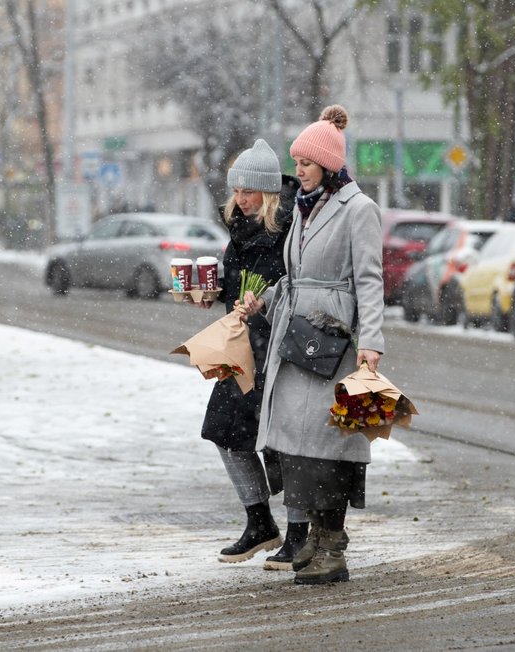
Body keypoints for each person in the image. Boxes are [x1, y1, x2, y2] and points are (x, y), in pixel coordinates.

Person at [238, 105, 385, 585]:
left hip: (335, 342)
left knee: (332, 445)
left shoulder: (358, 209)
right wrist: (267, 299)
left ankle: (332, 547)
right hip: (296, 339)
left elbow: (370, 280)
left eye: (305, 163)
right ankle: (311, 541)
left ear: (329, 165)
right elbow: (298, 276)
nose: (296, 170)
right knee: (297, 447)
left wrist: (372, 343)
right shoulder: (301, 208)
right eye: (296, 162)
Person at [196, 139, 308, 570]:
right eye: (237, 191)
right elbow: (242, 284)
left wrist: (267, 304)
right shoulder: (239, 231)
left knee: (282, 442)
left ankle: (300, 532)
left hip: (279, 350)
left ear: (268, 194)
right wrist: (214, 291)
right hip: (241, 348)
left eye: (249, 192)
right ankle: (259, 521)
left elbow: (292, 287)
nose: (240, 200)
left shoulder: (289, 230)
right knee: (224, 431)